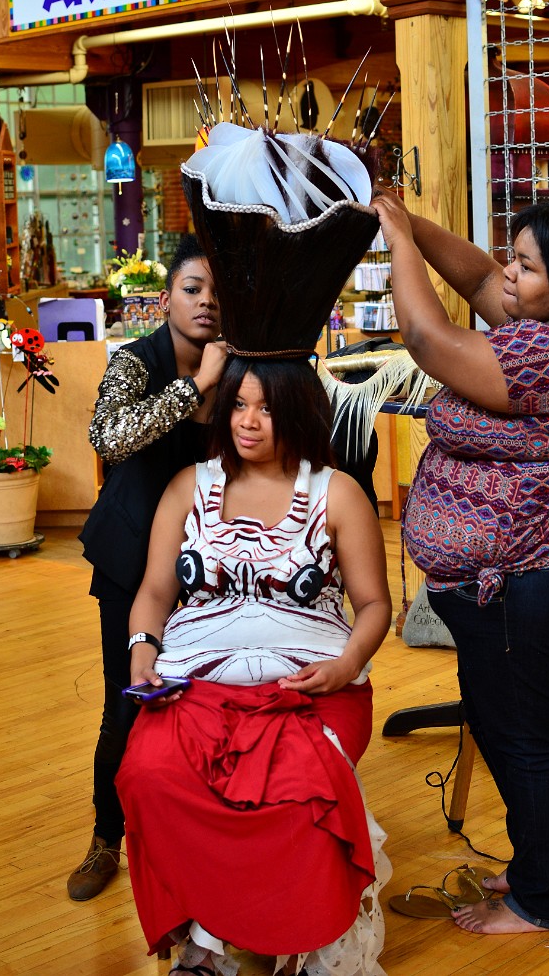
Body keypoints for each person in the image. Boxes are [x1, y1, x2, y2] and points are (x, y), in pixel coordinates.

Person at [371, 190, 549, 934]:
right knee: (503, 722)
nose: (510, 273)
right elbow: (477, 276)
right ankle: (530, 864)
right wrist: (409, 220)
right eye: (517, 254)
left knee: (529, 742)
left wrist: (394, 240)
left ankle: (540, 903)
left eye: (529, 265)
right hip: (524, 578)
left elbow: (424, 332)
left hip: (540, 581)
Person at [115, 354, 392, 976]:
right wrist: (141, 652)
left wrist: (348, 665)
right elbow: (157, 590)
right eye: (239, 404)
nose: (249, 421)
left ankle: (265, 943)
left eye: (267, 407)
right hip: (195, 688)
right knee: (148, 776)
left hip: (312, 689)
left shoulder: (336, 491)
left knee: (294, 797)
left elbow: (375, 603)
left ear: (298, 410)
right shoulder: (189, 485)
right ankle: (208, 937)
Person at [68, 235, 226, 901]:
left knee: (203, 704)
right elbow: (109, 437)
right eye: (193, 291)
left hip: (209, 560)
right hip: (133, 556)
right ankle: (108, 837)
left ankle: (192, 839)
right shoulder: (138, 361)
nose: (207, 304)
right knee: (126, 705)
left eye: (218, 295)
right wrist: (196, 385)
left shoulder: (239, 366)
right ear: (166, 300)